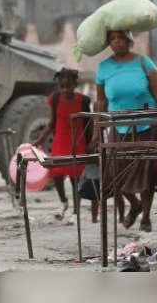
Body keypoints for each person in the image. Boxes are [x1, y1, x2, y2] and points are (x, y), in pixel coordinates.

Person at [92, 30, 157, 233]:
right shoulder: (103, 68)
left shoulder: (143, 62)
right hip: (118, 126)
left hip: (147, 125)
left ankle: (145, 216)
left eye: (120, 37)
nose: (116, 41)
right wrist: (96, 130)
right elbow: (101, 101)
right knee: (115, 173)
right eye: (112, 39)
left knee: (146, 172)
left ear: (129, 40)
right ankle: (134, 204)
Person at [31, 68, 97, 223]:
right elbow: (52, 122)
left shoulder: (84, 101)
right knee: (57, 175)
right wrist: (40, 140)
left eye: (69, 86)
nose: (65, 90)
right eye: (62, 87)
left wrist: (92, 142)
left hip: (78, 142)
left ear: (75, 84)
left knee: (76, 179)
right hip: (60, 141)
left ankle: (76, 212)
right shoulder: (55, 99)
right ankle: (63, 202)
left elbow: (88, 123)